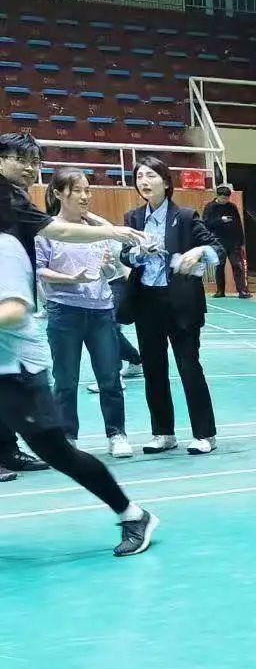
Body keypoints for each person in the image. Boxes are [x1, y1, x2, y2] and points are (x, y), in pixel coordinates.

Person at [0, 132, 146, 483]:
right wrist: (115, 232)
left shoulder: (14, 197)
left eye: (35, 162)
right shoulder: (6, 196)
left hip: (84, 309)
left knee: (9, 378)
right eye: (22, 160)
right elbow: (58, 232)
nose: (30, 169)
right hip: (49, 308)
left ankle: (7, 450)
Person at [0, 231, 157, 554]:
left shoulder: (5, 248)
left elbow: (13, 309)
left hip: (16, 374)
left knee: (58, 453)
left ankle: (133, 515)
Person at [121, 156, 222, 455]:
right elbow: (125, 255)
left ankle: (205, 434)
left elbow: (217, 248)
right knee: (153, 369)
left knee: (189, 367)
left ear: (166, 182)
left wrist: (199, 252)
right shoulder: (133, 218)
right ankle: (163, 433)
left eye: (150, 175)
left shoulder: (186, 216)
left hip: (181, 303)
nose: (144, 181)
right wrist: (138, 253)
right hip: (146, 301)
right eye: (139, 176)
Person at [34, 167, 131, 456]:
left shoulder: (97, 229)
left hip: (101, 312)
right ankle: (67, 437)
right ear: (58, 193)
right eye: (77, 190)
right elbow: (39, 270)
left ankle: (117, 434)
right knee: (66, 380)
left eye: (87, 190)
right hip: (64, 312)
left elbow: (111, 271)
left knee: (110, 378)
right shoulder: (47, 230)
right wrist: (70, 279)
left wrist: (107, 267)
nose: (85, 196)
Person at [202, 184, 249, 298]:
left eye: (227, 198)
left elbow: (238, 224)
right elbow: (206, 223)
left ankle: (242, 291)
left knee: (237, 265)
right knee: (219, 266)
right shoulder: (210, 207)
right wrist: (220, 220)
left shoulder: (232, 207)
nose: (225, 200)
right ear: (217, 196)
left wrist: (241, 241)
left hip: (233, 242)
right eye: (223, 198)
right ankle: (220, 290)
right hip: (218, 241)